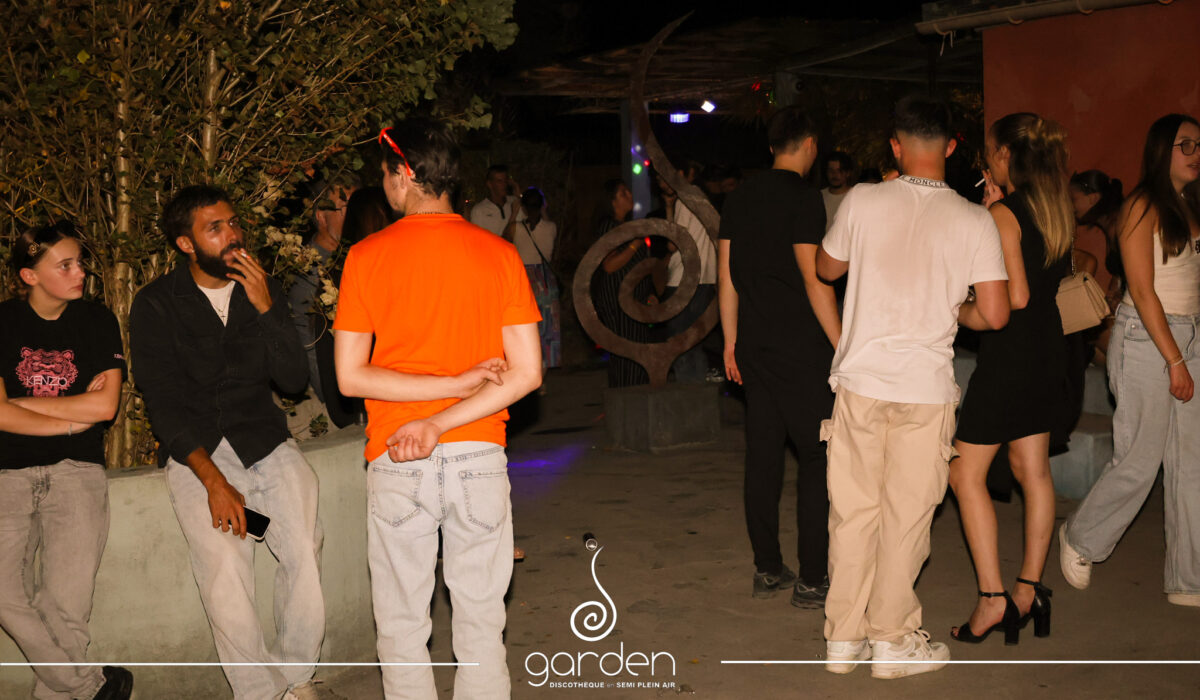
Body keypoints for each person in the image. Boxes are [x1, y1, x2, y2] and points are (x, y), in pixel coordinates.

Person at [334, 123, 542, 700]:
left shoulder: (366, 257)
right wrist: (449, 406)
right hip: (478, 454)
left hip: (398, 455)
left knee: (402, 626)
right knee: (481, 626)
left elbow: (351, 376)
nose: (383, 185)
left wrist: (429, 415)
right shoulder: (499, 254)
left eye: (385, 173)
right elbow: (527, 373)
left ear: (405, 175)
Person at [816, 94, 1009, 678]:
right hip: (924, 388)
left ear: (896, 146)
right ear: (950, 147)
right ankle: (893, 641)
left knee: (853, 514)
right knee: (906, 519)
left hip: (861, 383)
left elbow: (827, 269)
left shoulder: (862, 199)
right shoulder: (975, 219)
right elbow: (994, 314)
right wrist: (956, 309)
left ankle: (843, 640)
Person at [130, 185, 324, 700]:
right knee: (224, 567)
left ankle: (296, 678)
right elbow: (164, 405)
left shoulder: (261, 287)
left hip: (263, 440)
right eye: (214, 228)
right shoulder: (156, 304)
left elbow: (291, 380)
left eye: (233, 222)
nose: (233, 234)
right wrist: (214, 483)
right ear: (186, 244)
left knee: (303, 546)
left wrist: (267, 308)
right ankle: (259, 691)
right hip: (199, 452)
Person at [1060, 114, 1200, 607]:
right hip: (1148, 337)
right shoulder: (1142, 206)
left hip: (1190, 332)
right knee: (1141, 458)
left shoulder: (1188, 205)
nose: (1195, 153)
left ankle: (1188, 578)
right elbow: (1141, 290)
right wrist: (1175, 360)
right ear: (1162, 149)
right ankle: (1080, 537)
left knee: (1191, 461)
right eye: (1186, 144)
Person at [948, 113, 1073, 646]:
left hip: (1011, 356)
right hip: (1050, 350)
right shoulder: (1055, 207)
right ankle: (1029, 590)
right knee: (1032, 469)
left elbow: (1012, 297)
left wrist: (957, 309)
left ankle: (992, 599)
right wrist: (992, 216)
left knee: (963, 472)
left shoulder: (1004, 213)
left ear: (1003, 155)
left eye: (988, 153)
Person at [0, 222, 133, 700]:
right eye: (66, 265)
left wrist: (23, 405)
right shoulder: (2, 322)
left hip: (78, 473)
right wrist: (74, 419)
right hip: (8, 473)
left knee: (66, 608)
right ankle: (91, 686)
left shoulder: (97, 321)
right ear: (29, 275)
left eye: (81, 263)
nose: (80, 273)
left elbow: (105, 407)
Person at [718, 106, 840, 608]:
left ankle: (768, 568)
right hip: (801, 347)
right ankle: (812, 579)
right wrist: (843, 344)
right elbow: (815, 279)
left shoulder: (739, 197)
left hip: (753, 345)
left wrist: (730, 342)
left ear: (772, 147)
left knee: (763, 456)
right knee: (816, 456)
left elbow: (727, 277)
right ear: (810, 145)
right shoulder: (805, 197)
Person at [592, 179, 656, 388]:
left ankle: (635, 398)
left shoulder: (626, 227)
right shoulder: (609, 227)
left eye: (628, 191)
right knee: (628, 357)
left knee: (637, 355)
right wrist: (635, 243)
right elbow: (609, 265)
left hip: (635, 301)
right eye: (623, 193)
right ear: (612, 201)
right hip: (619, 303)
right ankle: (627, 400)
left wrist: (649, 292)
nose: (629, 195)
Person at [658, 166, 718, 383]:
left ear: (683, 173)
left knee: (679, 340)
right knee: (695, 339)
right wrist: (668, 206)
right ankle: (699, 389)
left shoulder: (685, 200)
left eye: (665, 176)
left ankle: (688, 390)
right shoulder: (699, 196)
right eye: (658, 179)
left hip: (684, 278)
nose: (662, 183)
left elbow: (674, 244)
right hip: (705, 277)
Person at [503, 187, 561, 372]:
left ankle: (528, 367)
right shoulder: (551, 228)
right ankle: (545, 368)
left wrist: (514, 213)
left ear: (524, 208)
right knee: (548, 327)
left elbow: (504, 242)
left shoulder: (515, 228)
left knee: (526, 326)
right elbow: (546, 221)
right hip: (546, 280)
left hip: (525, 279)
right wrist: (544, 209)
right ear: (542, 205)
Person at [469, 164, 519, 236]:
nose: (504, 184)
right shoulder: (479, 211)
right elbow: (477, 239)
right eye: (499, 181)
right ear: (489, 184)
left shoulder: (513, 202)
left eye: (505, 180)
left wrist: (516, 188)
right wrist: (513, 216)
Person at [821, 151, 855, 229]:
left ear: (848, 173)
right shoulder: (819, 196)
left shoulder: (855, 196)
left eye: (839, 170)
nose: (834, 174)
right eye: (831, 170)